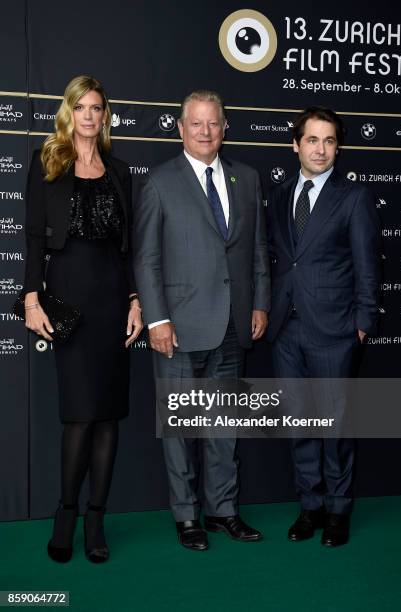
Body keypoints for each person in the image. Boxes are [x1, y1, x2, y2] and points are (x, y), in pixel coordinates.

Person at [133, 90, 270, 551]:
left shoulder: (246, 179)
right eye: (197, 124)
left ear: (225, 128)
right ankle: (187, 516)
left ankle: (223, 511)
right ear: (181, 128)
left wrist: (260, 304)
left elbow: (255, 252)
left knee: (224, 428)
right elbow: (147, 260)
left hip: (233, 324)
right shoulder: (159, 182)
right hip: (180, 327)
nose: (206, 132)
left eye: (214, 124)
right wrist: (156, 320)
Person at [23, 75, 142, 563]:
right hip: (69, 300)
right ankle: (66, 512)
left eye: (97, 108)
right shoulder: (46, 163)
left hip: (113, 298)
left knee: (108, 416)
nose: (89, 116)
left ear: (105, 115)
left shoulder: (119, 171)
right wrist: (31, 299)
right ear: (68, 113)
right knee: (79, 417)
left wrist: (136, 300)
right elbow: (32, 237)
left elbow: (128, 247)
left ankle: (96, 517)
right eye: (82, 107)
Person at [266, 106, 381, 546]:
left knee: (335, 428)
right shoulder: (278, 195)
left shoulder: (353, 197)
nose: (320, 149)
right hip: (286, 329)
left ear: (337, 148)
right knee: (299, 425)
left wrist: (363, 323)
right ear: (296, 145)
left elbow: (369, 266)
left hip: (335, 329)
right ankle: (309, 507)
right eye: (312, 140)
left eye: (329, 141)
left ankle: (338, 511)